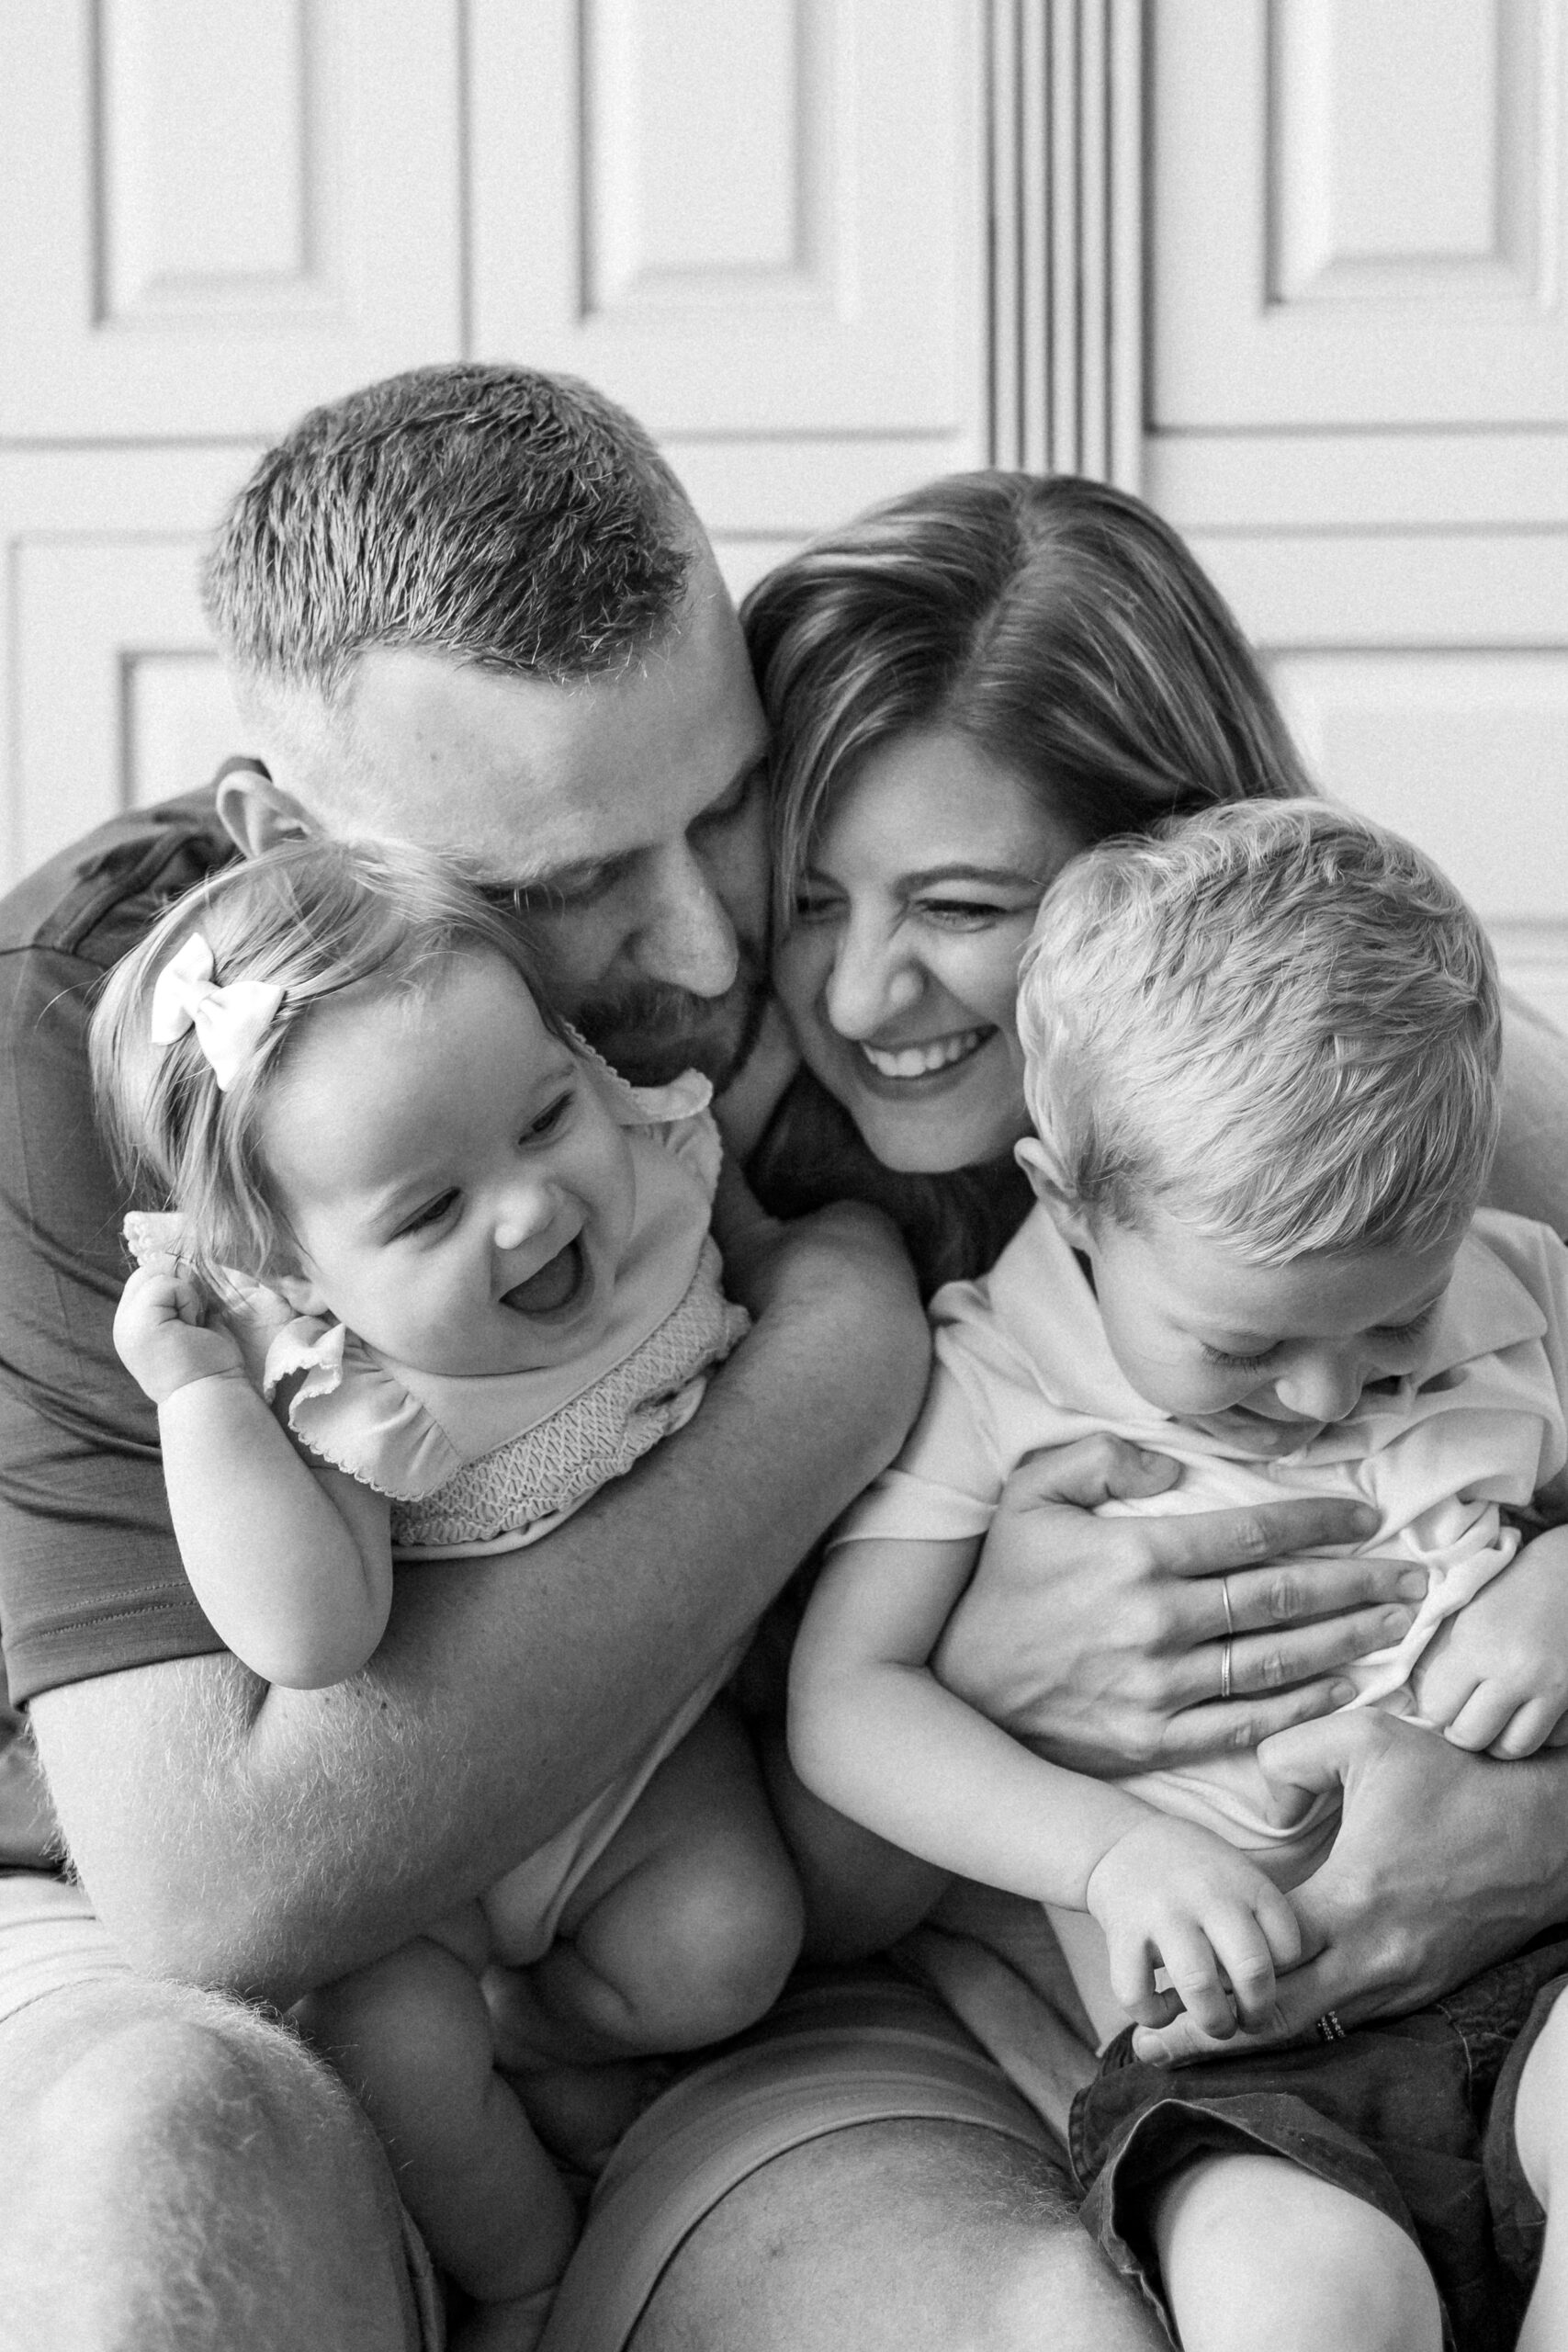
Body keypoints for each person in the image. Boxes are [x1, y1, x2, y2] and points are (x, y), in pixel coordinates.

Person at [0, 379, 1526, 2350]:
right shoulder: (136, 1065)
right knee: (159, 2180)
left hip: (787, 1958)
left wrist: (1519, 1821)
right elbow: (224, 1884)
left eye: (728, 810)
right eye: (551, 888)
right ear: (290, 842)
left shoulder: (1059, 948)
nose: (717, 955)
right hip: (197, 1917)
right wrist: (832, 1373)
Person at [790, 799, 1568, 2351]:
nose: (1323, 1398)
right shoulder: (995, 1376)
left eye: (1391, 1329)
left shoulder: (1523, 1284)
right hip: (1234, 2048)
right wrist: (1106, 1859)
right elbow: (845, 1705)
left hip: (1545, 1959)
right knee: (1307, 2305)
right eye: (1242, 1344)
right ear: (1069, 1199)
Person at [93, 836, 808, 2348]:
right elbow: (314, 1634)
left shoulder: (669, 1162)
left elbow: (800, 1279)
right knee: (398, 2044)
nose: (532, 1209)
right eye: (425, 1215)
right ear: (284, 1266)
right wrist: (200, 1403)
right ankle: (528, 2267)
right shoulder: (355, 1395)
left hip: (644, 1768)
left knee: (731, 1948)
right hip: (425, 1863)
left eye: (547, 1113)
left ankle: (551, 2041)